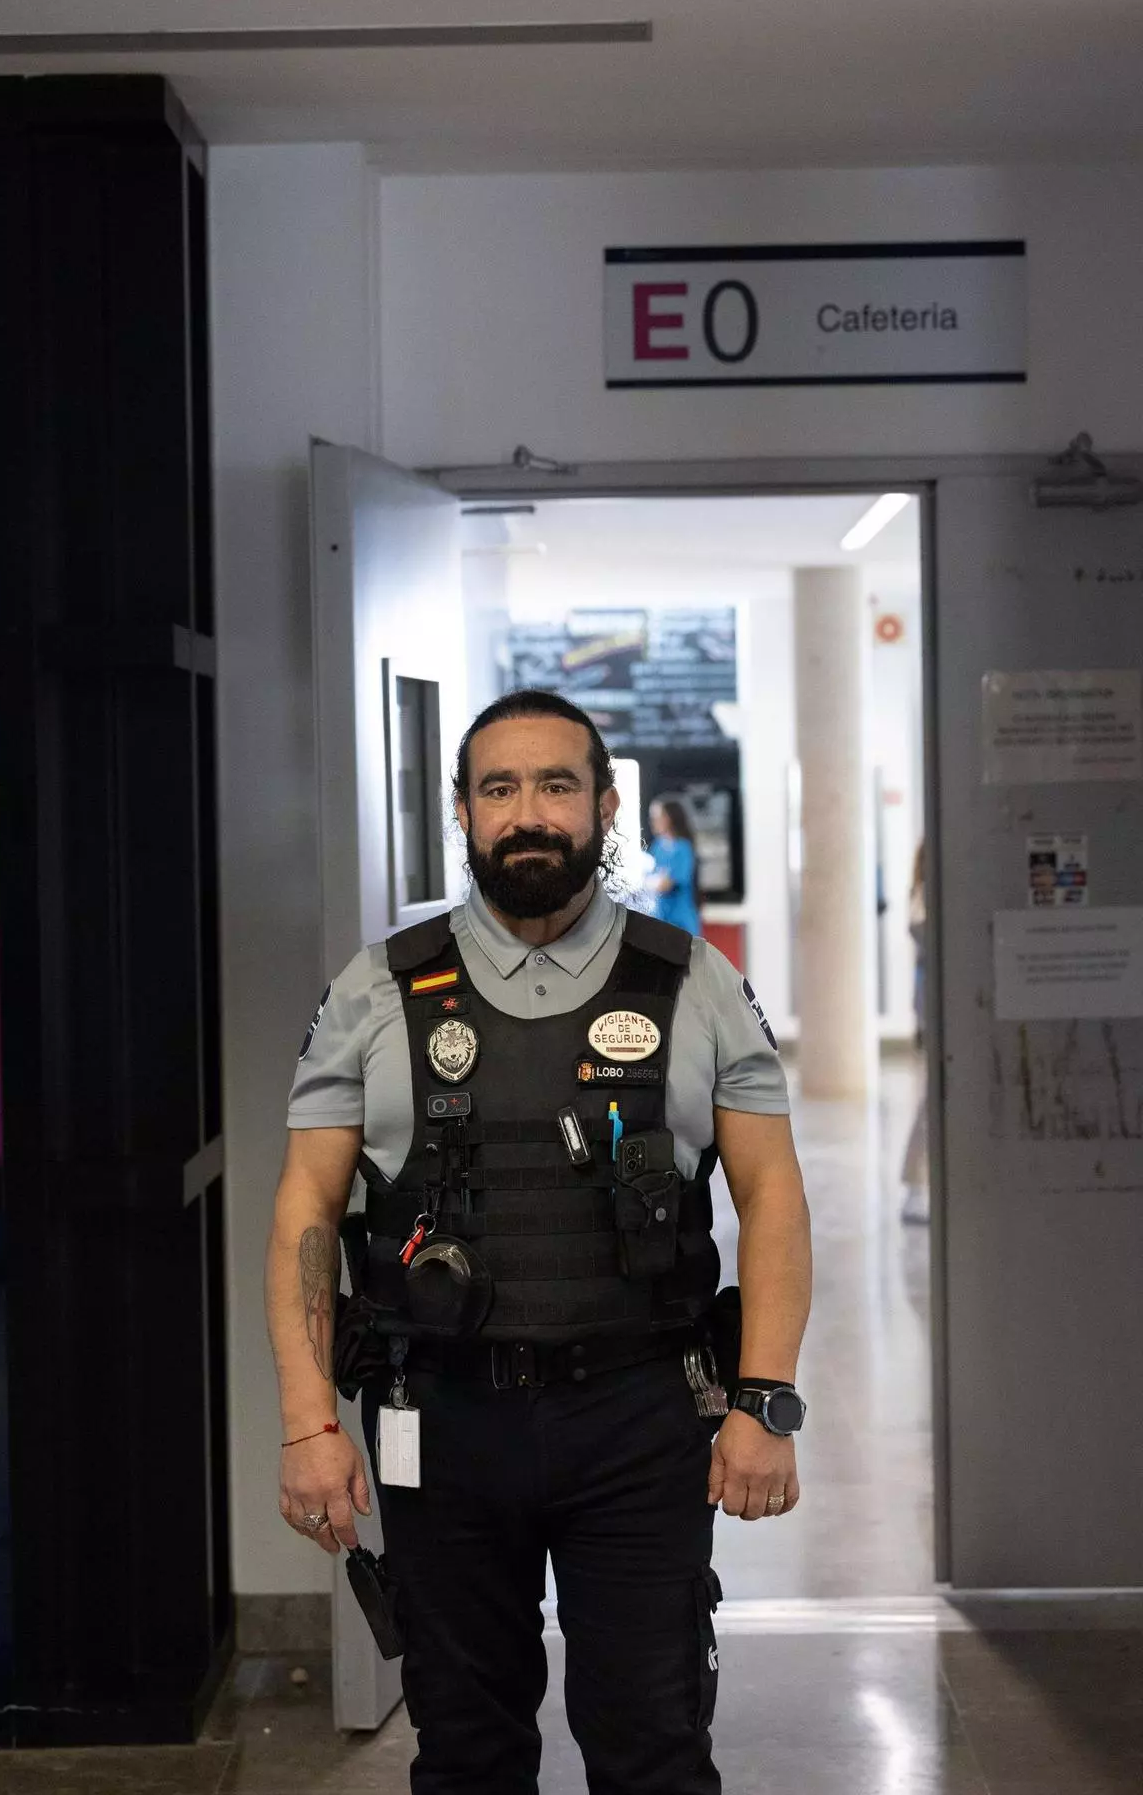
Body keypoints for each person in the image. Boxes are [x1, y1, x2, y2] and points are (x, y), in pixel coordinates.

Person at [266, 689, 812, 1795]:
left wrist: (764, 1403)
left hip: (640, 1419)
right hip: (441, 1422)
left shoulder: (695, 983)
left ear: (605, 807)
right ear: (463, 812)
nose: (528, 813)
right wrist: (307, 1422)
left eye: (558, 785)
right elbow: (305, 1215)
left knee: (654, 1747)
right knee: (466, 1752)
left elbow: (774, 1201)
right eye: (500, 789)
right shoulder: (376, 991)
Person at [900, 841, 929, 1225]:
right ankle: (915, 1184)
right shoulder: (923, 894)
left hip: (933, 998)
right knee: (933, 1099)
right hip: (933, 1001)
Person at [646, 797, 703, 936]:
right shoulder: (657, 847)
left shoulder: (683, 848)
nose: (653, 821)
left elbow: (666, 885)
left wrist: (653, 882)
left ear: (669, 818)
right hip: (662, 920)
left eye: (657, 817)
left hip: (681, 923)